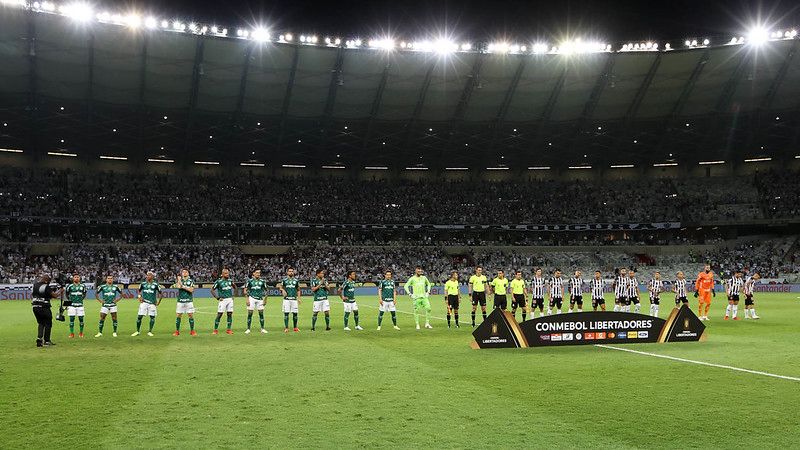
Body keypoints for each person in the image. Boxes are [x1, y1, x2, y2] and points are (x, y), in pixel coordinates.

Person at [31, 274, 63, 347]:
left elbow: (41, 295)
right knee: (48, 323)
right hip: (44, 307)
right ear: (46, 280)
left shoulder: (35, 285)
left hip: (35, 306)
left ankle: (39, 340)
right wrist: (60, 290)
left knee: (41, 323)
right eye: (48, 281)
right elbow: (55, 295)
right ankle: (47, 341)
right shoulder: (46, 286)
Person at [132, 271, 162, 336]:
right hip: (144, 302)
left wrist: (158, 302)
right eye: (147, 275)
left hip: (152, 303)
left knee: (152, 317)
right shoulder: (143, 284)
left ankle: (150, 331)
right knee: (139, 316)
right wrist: (139, 297)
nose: (148, 276)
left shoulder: (156, 284)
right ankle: (137, 331)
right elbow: (139, 291)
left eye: (150, 275)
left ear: (153, 276)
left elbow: (161, 293)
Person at [211, 268, 235, 335]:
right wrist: (217, 298)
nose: (227, 274)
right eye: (226, 273)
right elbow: (212, 290)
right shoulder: (218, 282)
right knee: (219, 314)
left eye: (228, 273)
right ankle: (215, 330)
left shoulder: (230, 281)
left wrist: (233, 295)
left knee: (229, 314)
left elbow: (235, 287)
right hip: (223, 300)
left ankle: (229, 329)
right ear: (222, 274)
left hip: (230, 299)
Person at [243, 269, 268, 334]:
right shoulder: (249, 281)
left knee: (261, 314)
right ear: (253, 273)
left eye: (259, 273)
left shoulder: (262, 281)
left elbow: (266, 291)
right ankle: (248, 329)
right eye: (257, 273)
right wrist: (247, 299)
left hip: (260, 299)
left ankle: (262, 329)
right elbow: (245, 290)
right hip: (252, 298)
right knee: (250, 314)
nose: (258, 274)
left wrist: (265, 299)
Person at [174, 269, 197, 336]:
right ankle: (177, 331)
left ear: (188, 273)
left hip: (189, 301)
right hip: (180, 301)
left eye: (186, 272)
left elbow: (191, 290)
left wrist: (183, 286)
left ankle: (192, 331)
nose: (184, 273)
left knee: (190, 315)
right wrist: (179, 280)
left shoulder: (191, 281)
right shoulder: (179, 281)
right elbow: (178, 286)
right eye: (183, 272)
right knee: (178, 315)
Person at [278, 267, 301, 333]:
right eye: (290, 271)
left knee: (295, 314)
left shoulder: (296, 281)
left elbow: (298, 290)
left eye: (292, 271)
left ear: (293, 272)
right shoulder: (284, 280)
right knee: (286, 314)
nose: (291, 272)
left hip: (294, 299)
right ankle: (286, 328)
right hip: (286, 300)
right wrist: (282, 290)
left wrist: (299, 298)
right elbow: (280, 287)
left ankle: (295, 327)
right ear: (287, 272)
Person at [65, 273, 87, 338]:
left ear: (79, 278)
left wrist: (81, 299)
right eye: (75, 277)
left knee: (81, 319)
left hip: (80, 305)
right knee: (71, 319)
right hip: (71, 305)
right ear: (73, 278)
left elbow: (84, 293)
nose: (76, 278)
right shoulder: (70, 286)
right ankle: (72, 333)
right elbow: (67, 294)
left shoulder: (83, 286)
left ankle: (81, 333)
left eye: (78, 277)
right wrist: (69, 301)